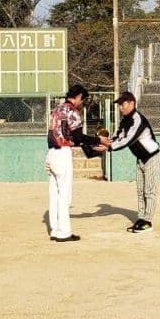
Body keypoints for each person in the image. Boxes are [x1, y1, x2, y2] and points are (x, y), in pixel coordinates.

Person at [98, 91, 160, 234]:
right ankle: (141, 218)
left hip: (152, 157)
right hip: (140, 158)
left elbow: (128, 139)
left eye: (123, 104)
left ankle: (148, 221)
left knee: (149, 190)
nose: (120, 107)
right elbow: (118, 136)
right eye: (119, 104)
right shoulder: (125, 120)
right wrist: (106, 144)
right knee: (140, 191)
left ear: (132, 103)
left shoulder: (138, 119)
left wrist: (110, 146)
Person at [45, 84, 99, 242]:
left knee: (54, 194)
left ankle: (55, 230)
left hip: (51, 153)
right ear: (78, 96)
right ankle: (64, 232)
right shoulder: (72, 111)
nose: (81, 103)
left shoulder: (57, 109)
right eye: (82, 99)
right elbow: (78, 137)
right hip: (62, 153)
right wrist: (97, 140)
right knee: (64, 195)